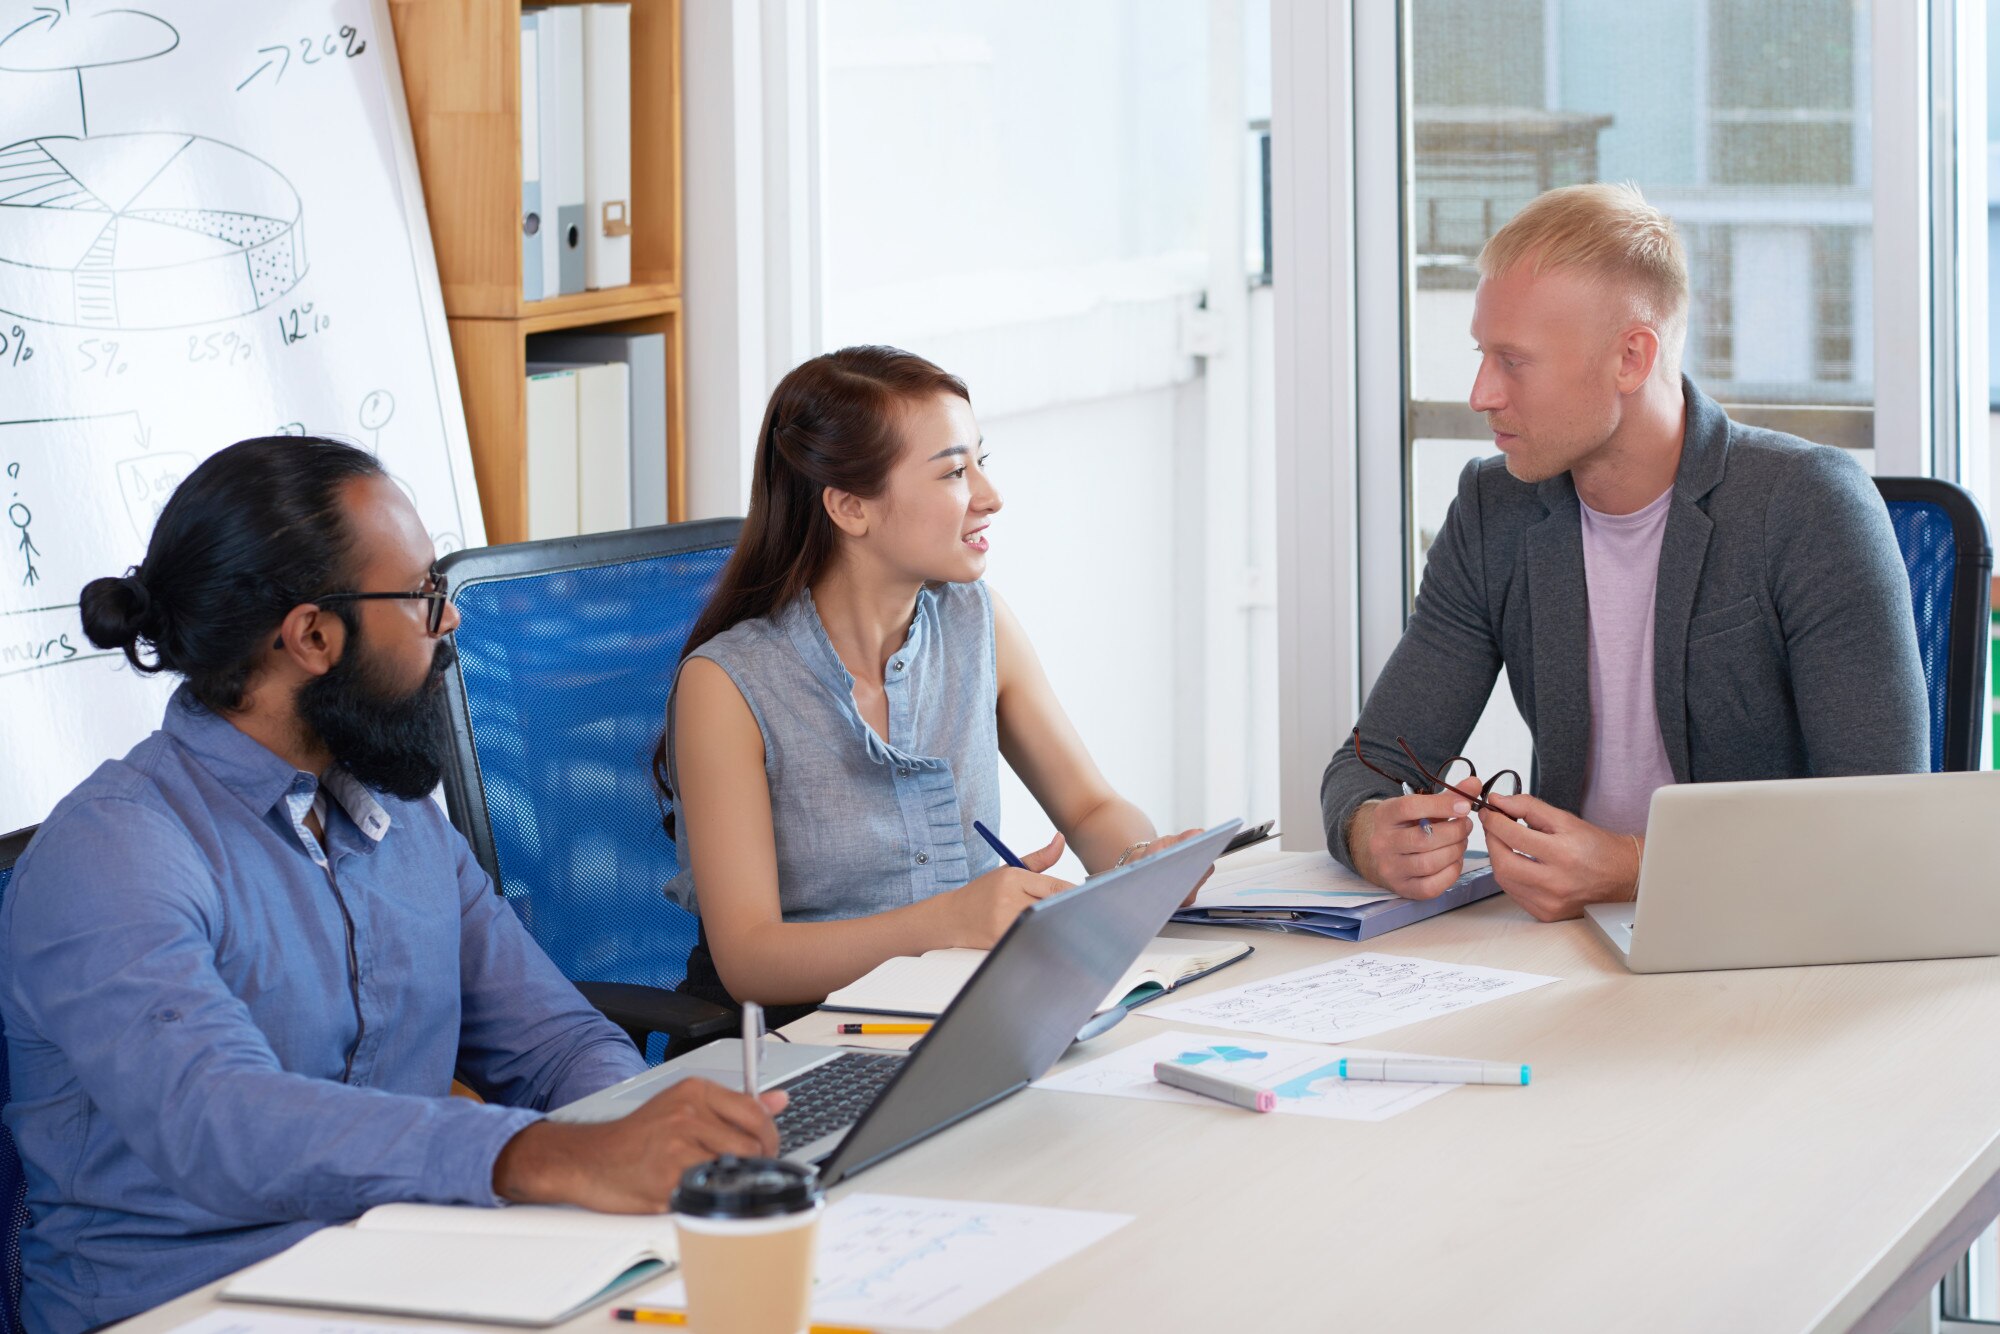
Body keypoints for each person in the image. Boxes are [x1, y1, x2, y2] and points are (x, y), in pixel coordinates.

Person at [0, 438, 784, 1333]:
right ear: (312, 636)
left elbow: (552, 1041)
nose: (447, 622)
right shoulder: (114, 853)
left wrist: (643, 1135)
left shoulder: (394, 812)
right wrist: (538, 1157)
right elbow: (222, 1122)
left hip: (409, 1274)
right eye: (421, 597)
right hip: (193, 1308)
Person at [1320, 183, 1926, 921]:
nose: (1482, 393)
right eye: (1484, 355)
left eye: (1514, 361)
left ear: (1631, 358)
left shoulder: (1806, 506)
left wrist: (1641, 867)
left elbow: (1881, 824)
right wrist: (1369, 833)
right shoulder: (1494, 510)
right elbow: (1367, 761)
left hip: (1770, 943)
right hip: (1571, 947)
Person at [660, 345, 1203, 1015]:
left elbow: (1091, 810)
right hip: (801, 1040)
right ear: (850, 508)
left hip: (962, 1011)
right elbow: (749, 959)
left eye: (982, 462)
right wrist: (951, 920)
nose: (989, 496)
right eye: (952, 473)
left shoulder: (979, 623)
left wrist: (1140, 863)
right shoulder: (728, 684)